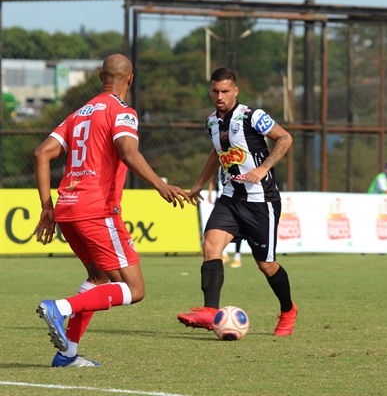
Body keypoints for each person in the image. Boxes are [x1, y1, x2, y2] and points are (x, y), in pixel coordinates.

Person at [33, 54, 193, 367]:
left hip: (67, 210)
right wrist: (161, 185)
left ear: (99, 77)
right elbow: (128, 152)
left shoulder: (78, 114)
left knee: (98, 278)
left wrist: (46, 207)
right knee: (135, 289)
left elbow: (41, 154)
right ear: (130, 80)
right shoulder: (122, 112)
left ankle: (67, 354)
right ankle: (59, 308)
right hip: (96, 210)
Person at [177, 67, 297, 336]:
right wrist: (198, 183)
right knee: (210, 244)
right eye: (215, 91)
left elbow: (285, 138)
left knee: (265, 265)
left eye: (225, 91)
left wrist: (263, 168)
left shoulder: (252, 116)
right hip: (230, 197)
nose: (219, 96)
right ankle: (210, 311)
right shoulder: (211, 123)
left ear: (235, 91)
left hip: (260, 200)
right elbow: (217, 153)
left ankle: (288, 310)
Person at [208, 167, 243, 268]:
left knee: (239, 227)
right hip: (221, 197)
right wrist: (210, 192)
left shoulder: (236, 158)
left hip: (235, 197)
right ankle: (224, 254)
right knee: (218, 227)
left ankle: (237, 257)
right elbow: (213, 176)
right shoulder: (220, 156)